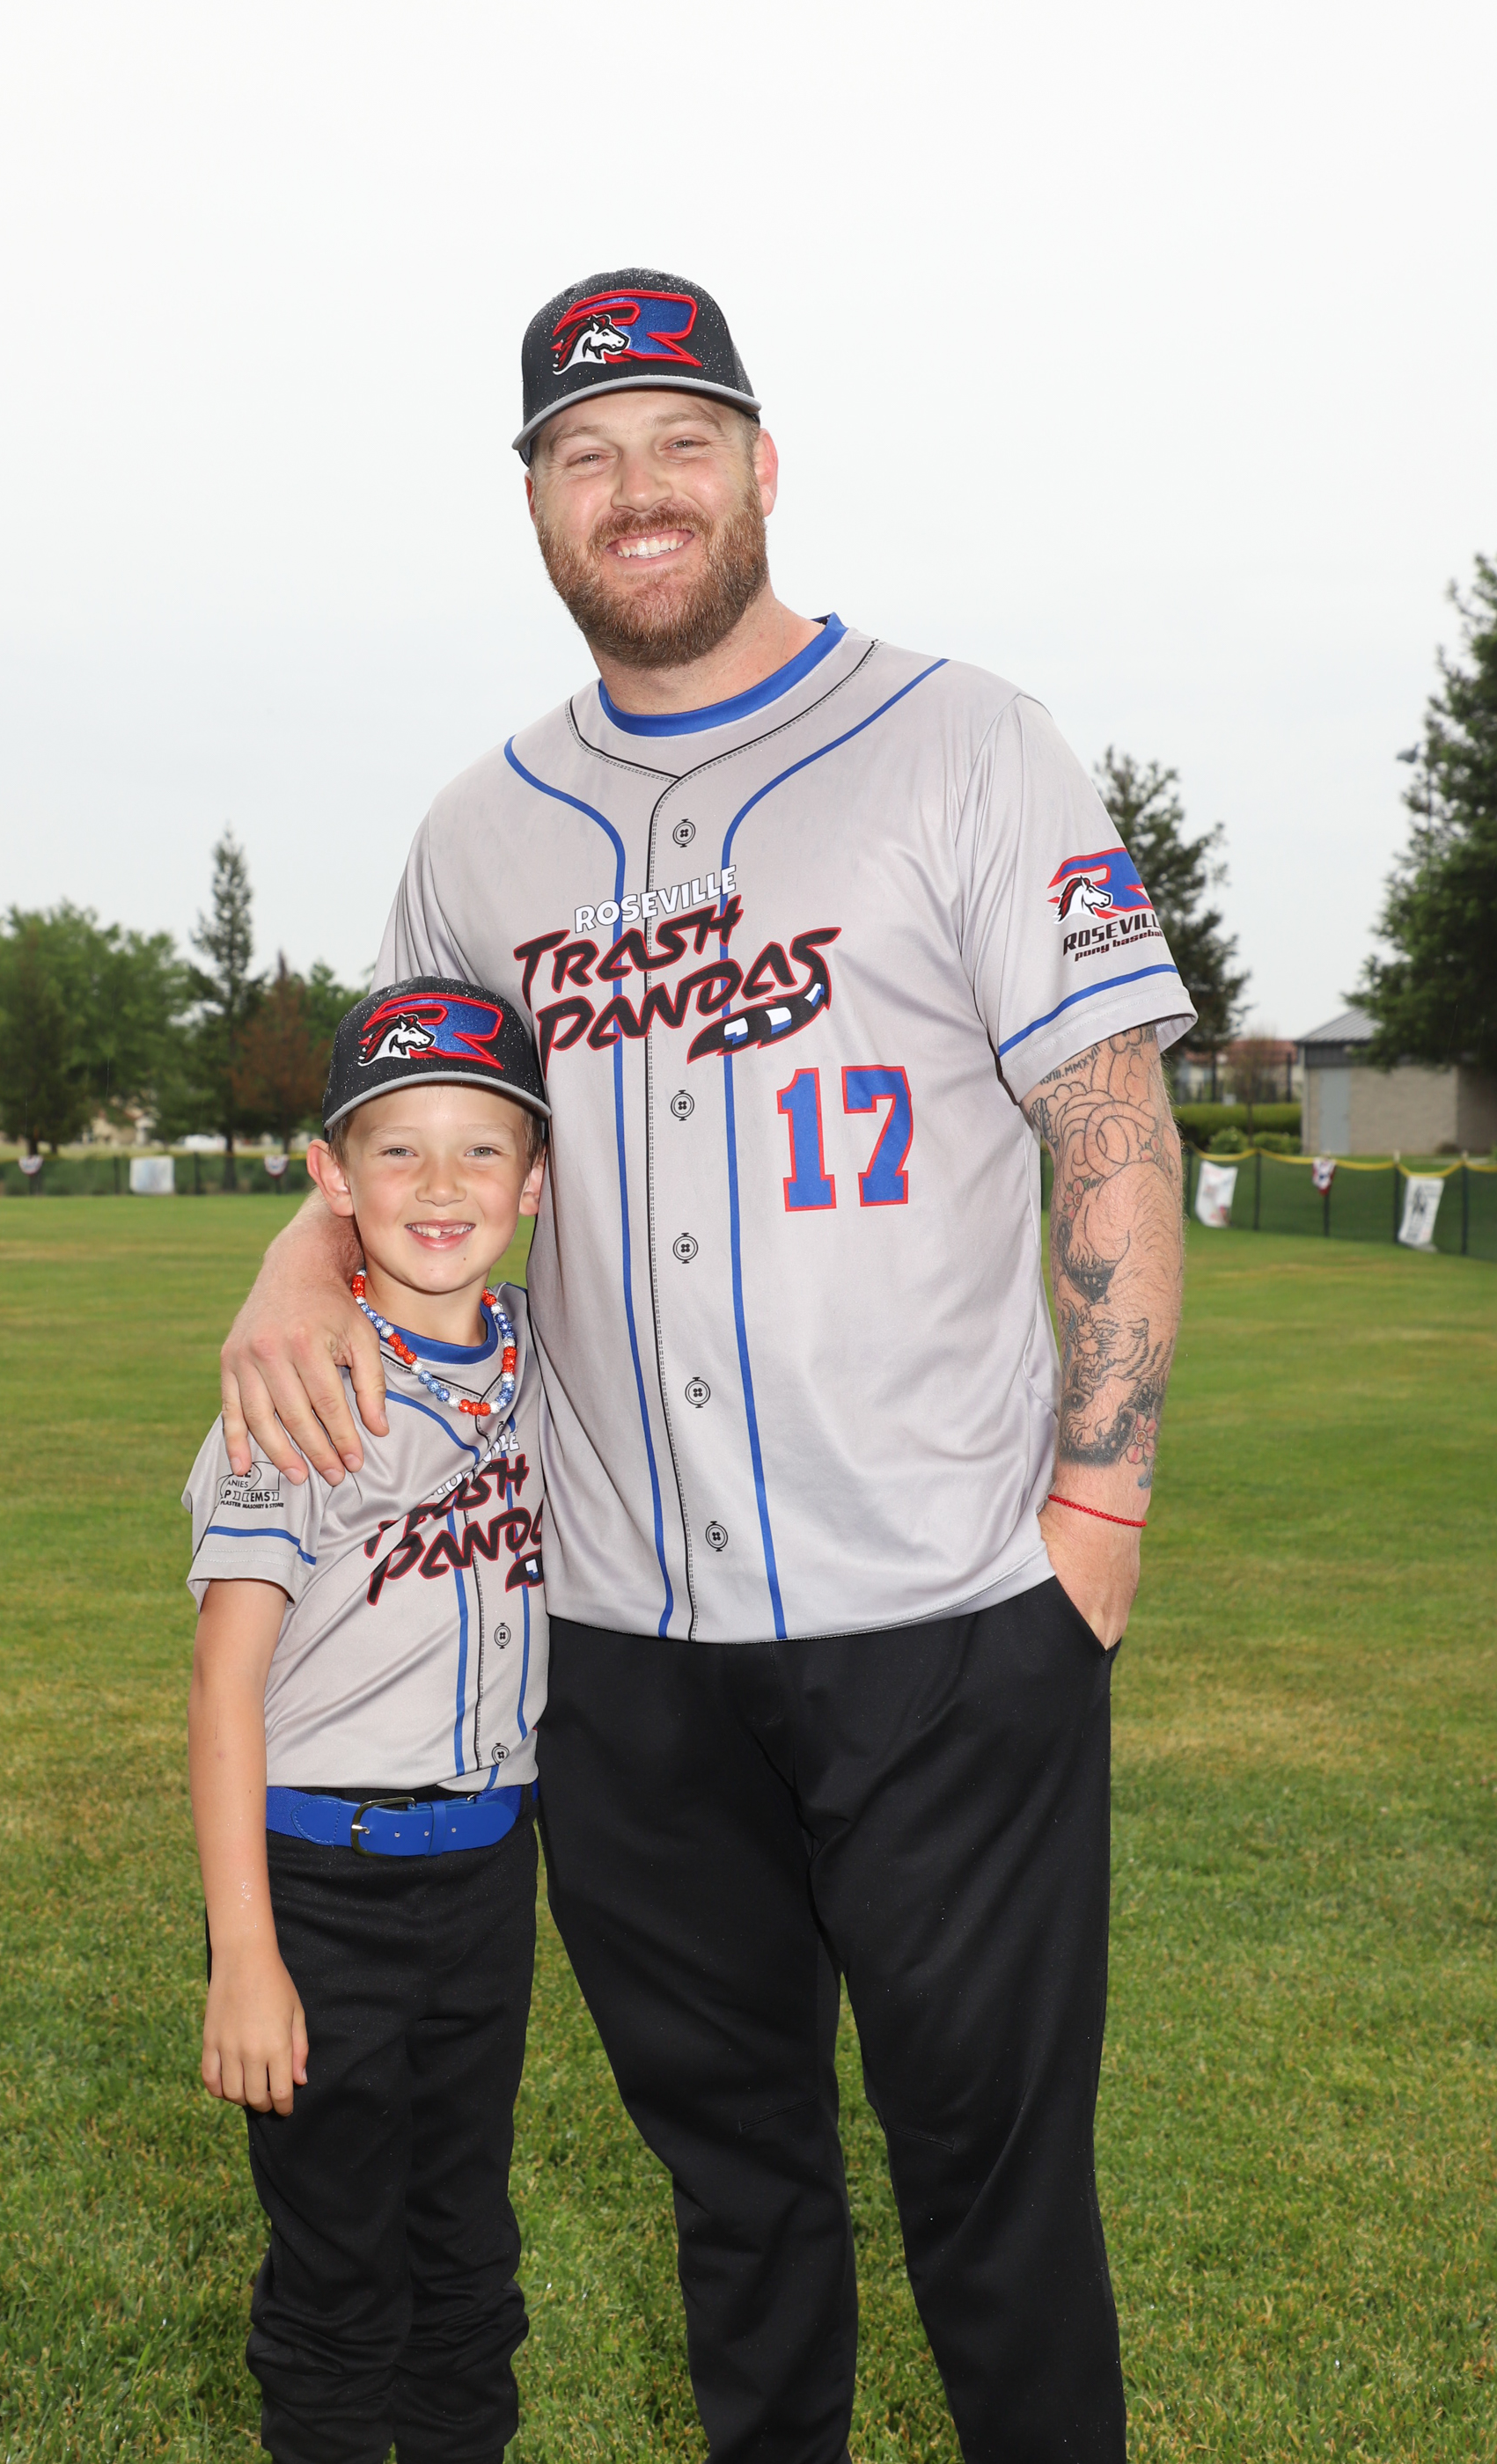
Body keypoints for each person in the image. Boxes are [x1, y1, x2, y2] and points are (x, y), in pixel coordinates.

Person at [218, 268, 1192, 2464]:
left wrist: (1097, 1510)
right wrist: (294, 1253)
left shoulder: (965, 737)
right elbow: (398, 1136)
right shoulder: (478, 828)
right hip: (621, 1647)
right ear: (534, 506)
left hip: (945, 1611)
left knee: (994, 2191)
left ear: (761, 467)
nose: (633, 487)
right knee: (733, 2189)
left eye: (677, 439)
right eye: (583, 453)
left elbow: (1108, 1114)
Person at [184, 978, 551, 2464]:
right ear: (330, 1179)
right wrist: (247, 1958)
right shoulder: (300, 1386)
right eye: (397, 1149)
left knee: (466, 2248)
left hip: (488, 1871)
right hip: (320, 1883)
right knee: (339, 2272)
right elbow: (222, 1684)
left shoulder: (548, 1358)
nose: (441, 1186)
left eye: (481, 1150)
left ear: (534, 1181)